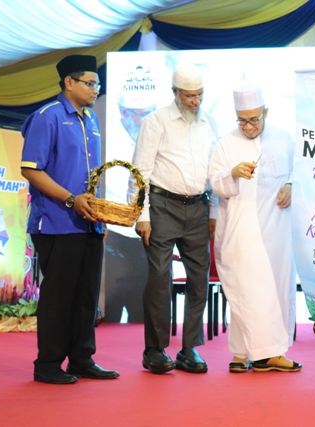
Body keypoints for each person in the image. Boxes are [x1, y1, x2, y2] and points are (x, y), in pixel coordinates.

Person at [20, 54, 119, 384]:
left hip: (89, 222)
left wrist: (99, 217)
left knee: (86, 295)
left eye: (98, 84)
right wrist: (70, 199)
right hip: (56, 222)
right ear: (69, 82)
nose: (96, 89)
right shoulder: (47, 116)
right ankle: (47, 364)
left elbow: (92, 176)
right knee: (59, 297)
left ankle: (81, 359)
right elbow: (31, 169)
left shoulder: (90, 119)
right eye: (90, 83)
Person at [129, 63, 217, 375]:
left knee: (199, 280)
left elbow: (215, 170)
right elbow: (140, 170)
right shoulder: (156, 121)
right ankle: (154, 349)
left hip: (198, 208)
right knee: (159, 279)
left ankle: (189, 347)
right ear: (175, 92)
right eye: (190, 96)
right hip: (162, 207)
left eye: (200, 95)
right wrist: (141, 215)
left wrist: (214, 211)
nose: (196, 101)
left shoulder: (209, 122)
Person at [208, 83, 301, 373]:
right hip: (241, 230)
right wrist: (233, 173)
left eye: (253, 120)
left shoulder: (283, 138)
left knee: (273, 290)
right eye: (242, 121)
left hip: (278, 231)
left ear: (265, 113)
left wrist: (290, 185)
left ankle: (253, 353)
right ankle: (255, 354)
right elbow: (215, 183)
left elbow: (299, 171)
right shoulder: (225, 144)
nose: (248, 126)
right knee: (246, 291)